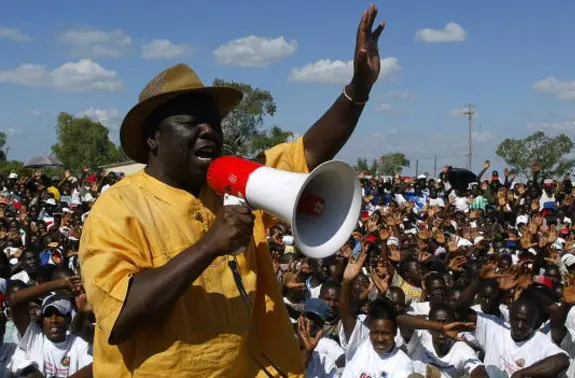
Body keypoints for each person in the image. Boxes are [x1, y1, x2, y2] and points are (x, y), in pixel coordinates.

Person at [78, 4, 386, 377]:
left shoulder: (234, 181)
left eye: (213, 124)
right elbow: (121, 318)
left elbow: (308, 152)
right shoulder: (118, 208)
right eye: (191, 123)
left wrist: (359, 88)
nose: (209, 132)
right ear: (153, 139)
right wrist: (210, 245)